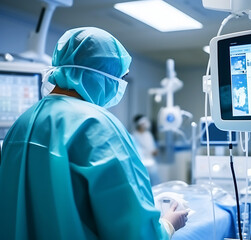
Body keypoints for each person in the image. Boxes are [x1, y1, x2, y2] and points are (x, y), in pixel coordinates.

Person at [0, 27, 188, 240]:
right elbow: (136, 233)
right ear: (102, 76)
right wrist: (168, 225)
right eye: (118, 77)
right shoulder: (98, 125)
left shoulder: (22, 123)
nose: (119, 85)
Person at [132, 114, 160, 185]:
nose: (145, 125)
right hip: (141, 164)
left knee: (155, 183)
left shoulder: (148, 135)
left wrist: (155, 152)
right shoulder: (134, 136)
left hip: (151, 163)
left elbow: (153, 149)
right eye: (143, 123)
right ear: (139, 124)